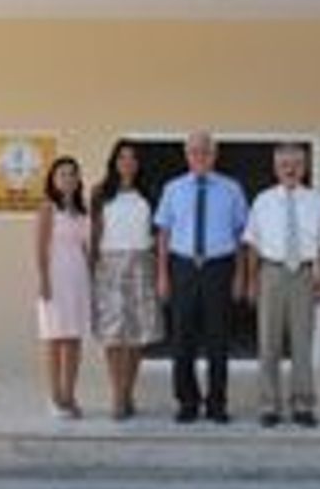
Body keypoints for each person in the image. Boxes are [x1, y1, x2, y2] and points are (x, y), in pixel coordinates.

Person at [155, 131, 248, 424]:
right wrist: (162, 274)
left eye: (206, 151)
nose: (200, 156)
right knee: (182, 339)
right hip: (182, 267)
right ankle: (187, 402)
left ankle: (217, 403)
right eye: (194, 151)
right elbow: (163, 234)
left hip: (219, 267)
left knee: (218, 339)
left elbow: (241, 235)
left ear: (214, 155)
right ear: (187, 155)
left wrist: (240, 275)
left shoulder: (232, 189)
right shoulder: (173, 189)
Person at [243, 143, 320, 428]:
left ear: (304, 167)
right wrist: (251, 280)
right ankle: (269, 405)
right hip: (271, 273)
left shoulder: (317, 201)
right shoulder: (263, 201)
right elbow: (252, 244)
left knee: (302, 344)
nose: (290, 169)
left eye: (296, 164)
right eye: (284, 164)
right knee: (268, 343)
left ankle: (303, 405)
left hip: (304, 275)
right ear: (276, 168)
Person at [90, 140, 162, 421]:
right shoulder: (100, 192)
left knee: (136, 335)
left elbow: (156, 234)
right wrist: (91, 267)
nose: (127, 162)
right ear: (114, 161)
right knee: (113, 334)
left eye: (132, 157)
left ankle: (127, 391)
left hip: (142, 262)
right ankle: (117, 395)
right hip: (109, 264)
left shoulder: (149, 193)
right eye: (122, 157)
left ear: (139, 163)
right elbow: (95, 233)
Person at [35, 156, 92, 419]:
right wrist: (44, 280)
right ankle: (55, 397)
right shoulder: (47, 208)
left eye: (72, 173)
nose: (67, 178)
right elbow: (40, 248)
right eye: (62, 174)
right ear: (53, 179)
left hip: (78, 278)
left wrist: (92, 277)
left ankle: (70, 395)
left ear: (78, 179)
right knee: (55, 338)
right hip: (55, 278)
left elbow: (85, 247)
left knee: (73, 338)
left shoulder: (81, 210)